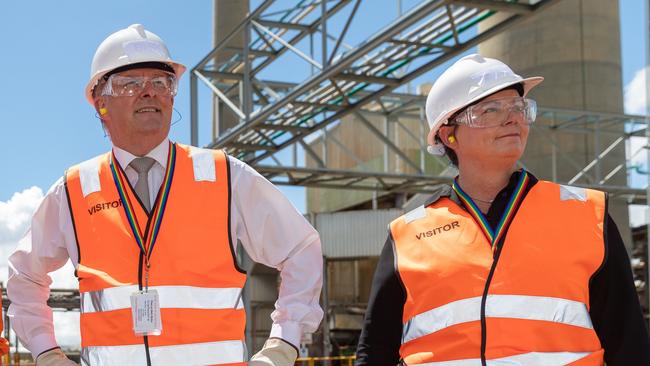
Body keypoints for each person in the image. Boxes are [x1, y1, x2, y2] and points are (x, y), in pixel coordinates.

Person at [7, 24, 323, 366]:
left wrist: (283, 343)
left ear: (172, 96)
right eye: (130, 83)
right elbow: (24, 275)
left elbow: (301, 249)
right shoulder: (75, 190)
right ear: (100, 103)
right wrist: (47, 352)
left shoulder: (223, 176)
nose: (149, 92)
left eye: (161, 82)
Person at [355, 54, 650, 365]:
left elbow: (629, 344)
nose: (513, 119)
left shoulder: (589, 215)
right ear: (447, 134)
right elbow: (376, 351)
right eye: (491, 110)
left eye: (518, 108)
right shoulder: (407, 235)